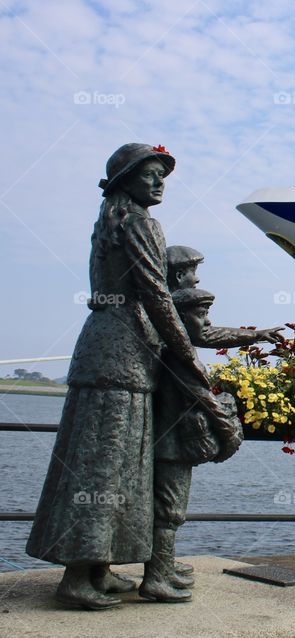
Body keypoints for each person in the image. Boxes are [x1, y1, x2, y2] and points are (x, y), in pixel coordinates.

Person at [26, 143, 219, 610]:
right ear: (124, 181)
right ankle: (78, 576)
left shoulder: (107, 224)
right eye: (150, 174)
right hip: (126, 354)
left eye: (162, 175)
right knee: (106, 465)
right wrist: (188, 356)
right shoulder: (142, 224)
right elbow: (157, 296)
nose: (159, 183)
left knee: (101, 461)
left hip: (103, 347)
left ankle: (98, 566)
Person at [142, 287, 243, 602]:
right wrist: (228, 433)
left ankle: (163, 568)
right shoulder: (178, 354)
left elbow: (211, 340)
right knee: (169, 512)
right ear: (181, 318)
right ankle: (156, 578)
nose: (206, 321)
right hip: (171, 447)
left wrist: (256, 336)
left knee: (169, 511)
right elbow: (203, 397)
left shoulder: (174, 349)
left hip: (170, 444)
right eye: (200, 315)